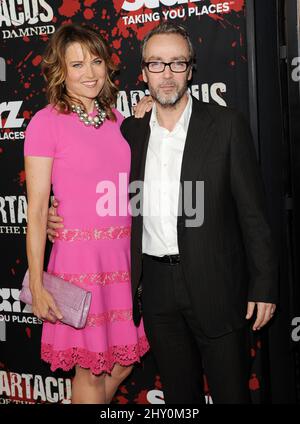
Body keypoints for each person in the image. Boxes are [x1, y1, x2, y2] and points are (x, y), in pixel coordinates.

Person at [47, 23, 278, 404]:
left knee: (232, 393)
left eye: (176, 63)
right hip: (154, 291)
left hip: (217, 286)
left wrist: (264, 285)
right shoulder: (131, 133)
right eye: (156, 64)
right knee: (178, 397)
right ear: (144, 72)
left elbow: (254, 215)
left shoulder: (226, 125)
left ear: (190, 69)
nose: (166, 74)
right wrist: (57, 212)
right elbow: (90, 180)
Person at [24, 23, 149, 404]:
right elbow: (38, 211)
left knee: (123, 363)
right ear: (60, 71)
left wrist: (140, 120)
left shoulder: (118, 121)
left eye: (95, 61)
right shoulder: (45, 123)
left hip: (124, 263)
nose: (89, 73)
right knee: (91, 370)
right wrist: (39, 284)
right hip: (80, 264)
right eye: (76, 65)